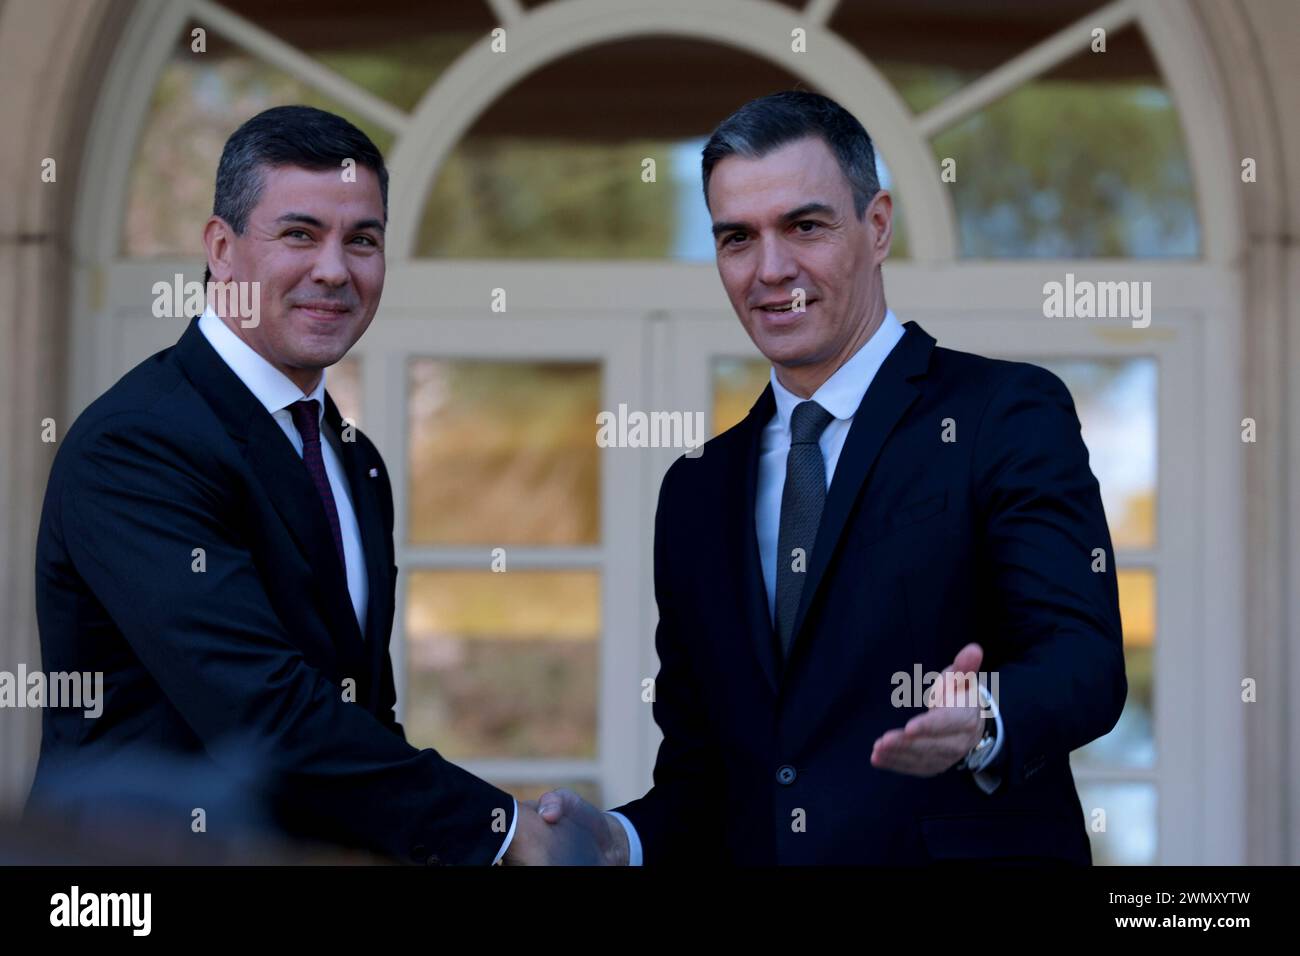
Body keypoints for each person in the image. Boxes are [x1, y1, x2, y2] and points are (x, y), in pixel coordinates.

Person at [538, 90, 1127, 865]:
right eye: (737, 239)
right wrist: (622, 839)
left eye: (805, 226)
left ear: (877, 226)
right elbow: (703, 773)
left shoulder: (1002, 413)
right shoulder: (695, 491)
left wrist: (985, 716)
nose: (771, 268)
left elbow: (1086, 662)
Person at [28, 105, 588, 866]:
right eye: (300, 234)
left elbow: (359, 718)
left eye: (363, 240)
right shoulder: (140, 443)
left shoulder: (351, 457)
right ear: (221, 249)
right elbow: (265, 712)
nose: (335, 269)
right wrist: (500, 831)